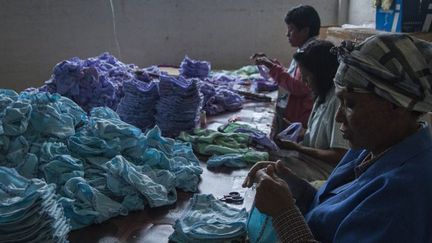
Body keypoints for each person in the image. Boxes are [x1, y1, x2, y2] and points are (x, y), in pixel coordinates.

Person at [243, 34, 432, 242]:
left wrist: (284, 212)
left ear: (395, 105)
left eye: (350, 104)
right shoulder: (369, 148)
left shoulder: (405, 195)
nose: (338, 116)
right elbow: (329, 211)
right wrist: (295, 187)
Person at [273, 40, 349, 181]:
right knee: (268, 157)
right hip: (311, 161)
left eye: (307, 77)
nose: (305, 82)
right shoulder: (322, 95)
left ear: (321, 74)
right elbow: (320, 134)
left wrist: (298, 148)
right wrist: (300, 131)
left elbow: (340, 154)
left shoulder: (337, 100)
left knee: (271, 169)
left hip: (325, 172)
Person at [251, 5, 321, 138]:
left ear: (305, 31)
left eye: (291, 29)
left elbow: (299, 87)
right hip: (296, 112)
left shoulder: (310, 54)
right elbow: (293, 75)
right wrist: (271, 63)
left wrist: (272, 67)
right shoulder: (304, 49)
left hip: (301, 117)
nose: (287, 34)